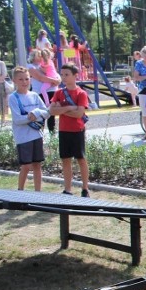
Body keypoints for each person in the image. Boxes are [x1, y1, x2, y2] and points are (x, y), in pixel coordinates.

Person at [49, 63, 90, 197]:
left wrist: (62, 109)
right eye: (62, 74)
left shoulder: (81, 93)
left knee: (81, 159)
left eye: (67, 74)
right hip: (63, 130)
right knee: (65, 159)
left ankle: (85, 188)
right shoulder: (58, 93)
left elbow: (79, 114)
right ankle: (68, 189)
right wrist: (68, 108)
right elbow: (52, 111)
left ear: (75, 76)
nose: (64, 77)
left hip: (77, 130)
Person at [9, 66, 49, 192]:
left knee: (37, 165)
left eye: (27, 79)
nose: (24, 82)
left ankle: (38, 193)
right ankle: (20, 190)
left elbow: (46, 112)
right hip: (23, 137)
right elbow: (17, 119)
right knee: (26, 166)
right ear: (14, 81)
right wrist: (30, 117)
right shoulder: (13, 97)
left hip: (36, 135)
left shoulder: (35, 96)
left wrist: (36, 113)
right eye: (20, 79)